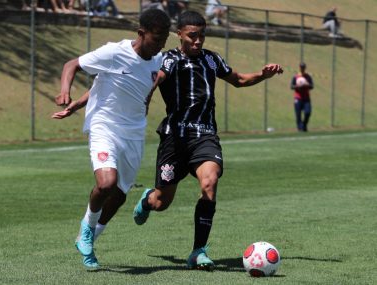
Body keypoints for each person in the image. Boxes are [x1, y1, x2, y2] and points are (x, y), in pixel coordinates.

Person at [132, 11, 283, 270]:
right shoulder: (168, 59)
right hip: (174, 139)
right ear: (179, 34)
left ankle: (198, 251)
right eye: (192, 36)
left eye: (202, 35)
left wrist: (262, 74)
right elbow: (158, 78)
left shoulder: (212, 60)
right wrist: (146, 97)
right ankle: (147, 199)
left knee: (209, 183)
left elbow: (238, 80)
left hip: (205, 135)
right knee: (161, 202)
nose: (198, 41)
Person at [52, 8, 171, 269]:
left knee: (119, 196)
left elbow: (104, 86)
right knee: (107, 184)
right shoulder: (114, 52)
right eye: (156, 39)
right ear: (141, 33)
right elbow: (71, 65)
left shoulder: (158, 59)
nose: (160, 46)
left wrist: (77, 104)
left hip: (134, 133)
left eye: (164, 41)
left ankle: (90, 238)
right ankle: (86, 228)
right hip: (104, 126)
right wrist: (65, 93)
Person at [290, 62, 314, 132]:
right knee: (298, 114)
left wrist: (307, 85)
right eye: (301, 67)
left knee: (308, 112)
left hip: (306, 98)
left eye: (303, 67)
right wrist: (298, 86)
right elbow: (292, 86)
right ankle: (300, 128)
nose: (302, 68)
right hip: (298, 98)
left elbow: (312, 86)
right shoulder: (296, 76)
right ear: (299, 67)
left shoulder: (307, 76)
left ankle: (304, 125)